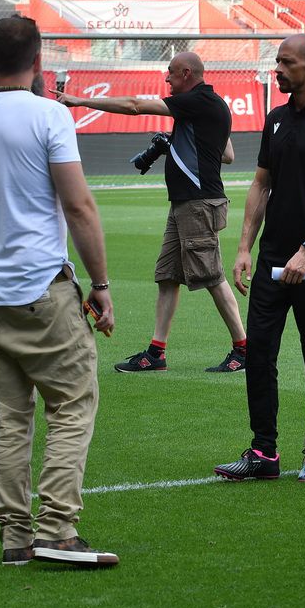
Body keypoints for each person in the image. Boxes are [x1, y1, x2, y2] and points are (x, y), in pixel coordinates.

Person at [0, 15, 118, 567]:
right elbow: (79, 205)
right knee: (72, 403)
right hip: (42, 287)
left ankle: (14, 535)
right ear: (38, 61)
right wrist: (102, 285)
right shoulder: (49, 116)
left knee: (10, 416)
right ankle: (57, 528)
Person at [213, 35, 305, 483]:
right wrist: (242, 247)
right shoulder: (275, 120)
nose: (278, 69)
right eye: (277, 61)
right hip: (273, 257)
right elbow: (261, 185)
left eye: (287, 62)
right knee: (258, 353)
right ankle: (264, 452)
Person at [57, 52, 246, 374]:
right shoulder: (207, 105)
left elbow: (134, 105)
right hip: (186, 203)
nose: (167, 79)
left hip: (198, 203)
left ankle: (243, 348)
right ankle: (156, 352)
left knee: (211, 275)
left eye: (171, 73)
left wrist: (79, 101)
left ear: (187, 73)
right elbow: (227, 154)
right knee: (168, 276)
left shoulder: (198, 101)